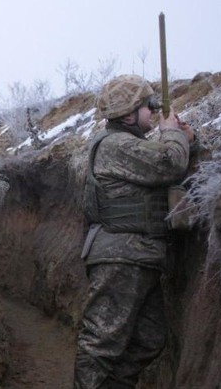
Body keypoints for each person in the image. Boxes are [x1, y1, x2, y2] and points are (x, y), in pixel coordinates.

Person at [73, 74, 194, 388]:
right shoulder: (116, 145)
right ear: (127, 114)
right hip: (120, 258)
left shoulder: (130, 145)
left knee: (150, 339)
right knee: (101, 342)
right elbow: (169, 163)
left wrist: (186, 138)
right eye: (148, 105)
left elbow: (169, 158)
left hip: (140, 257)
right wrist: (171, 134)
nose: (154, 111)